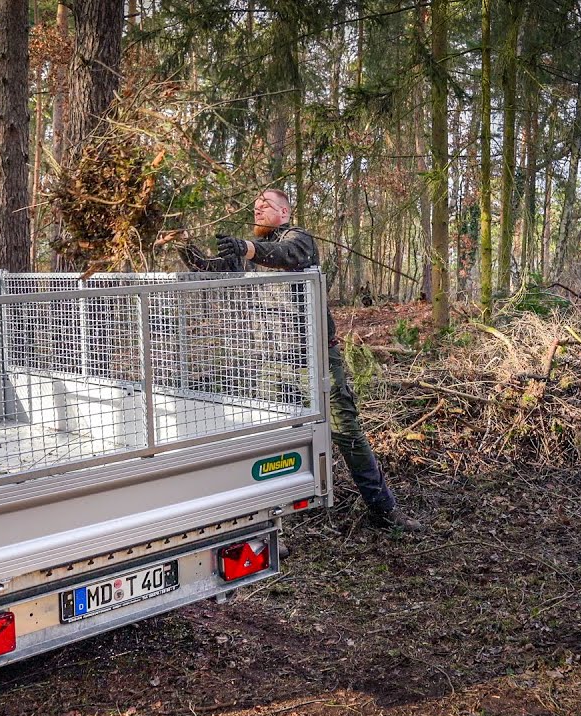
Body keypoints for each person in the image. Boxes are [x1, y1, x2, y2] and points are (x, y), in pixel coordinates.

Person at [163, 189, 422, 533]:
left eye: (266, 205)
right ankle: (271, 526)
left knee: (345, 431)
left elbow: (286, 255)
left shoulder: (299, 240)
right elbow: (210, 269)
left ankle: (383, 509)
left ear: (284, 212)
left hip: (315, 358)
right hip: (272, 361)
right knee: (273, 439)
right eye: (255, 206)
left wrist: (247, 247)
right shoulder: (253, 252)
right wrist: (184, 244)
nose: (258, 209)